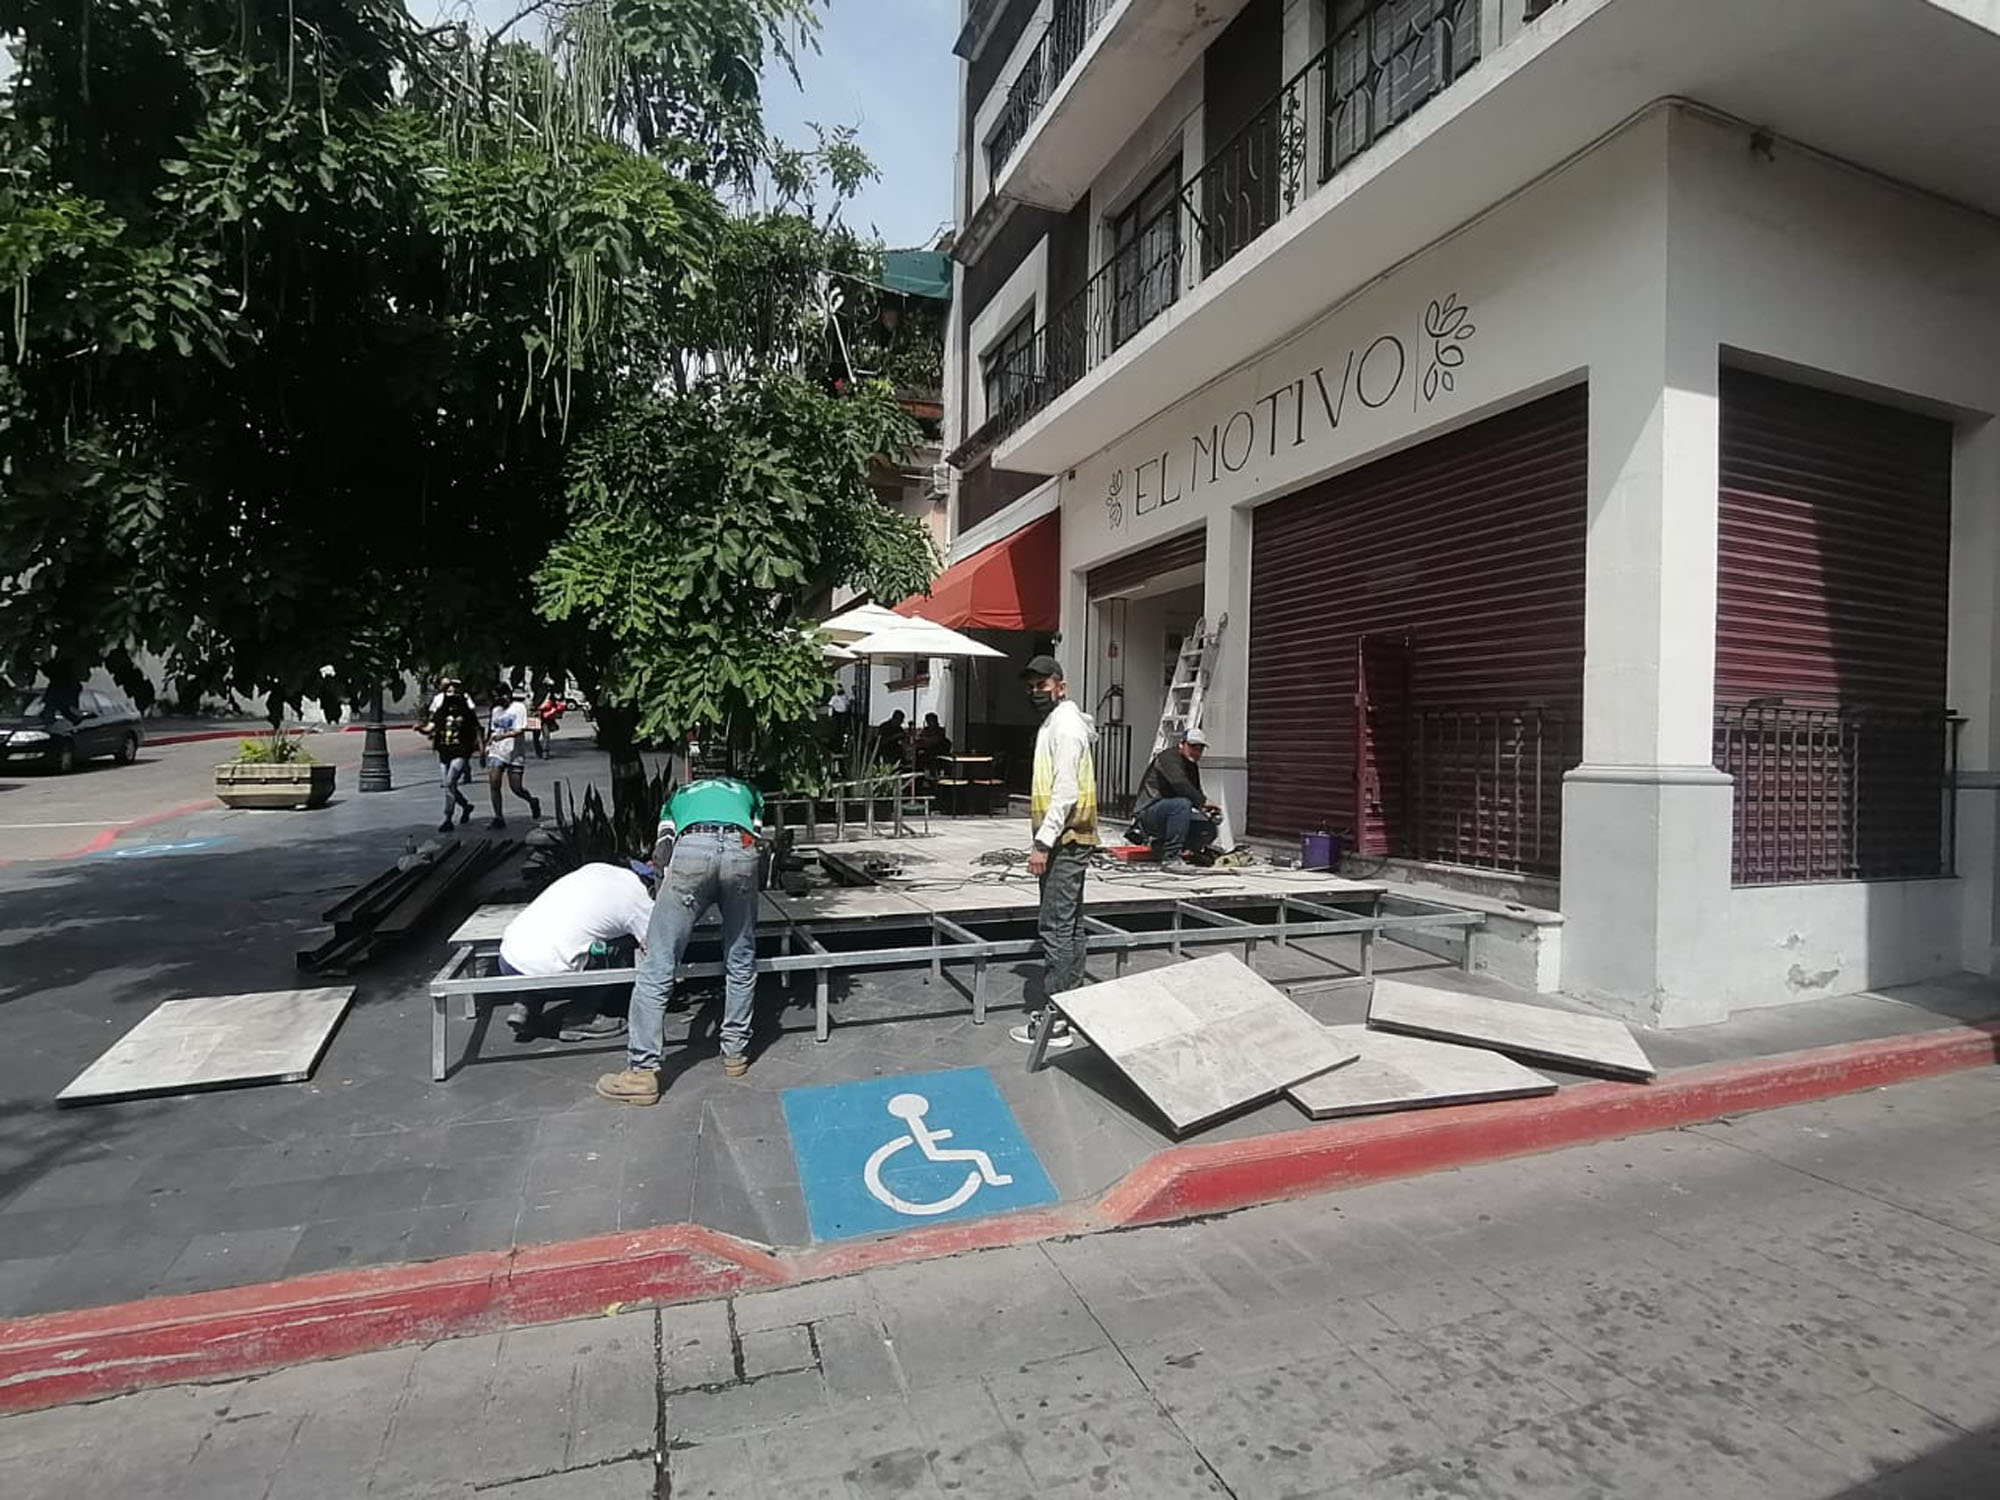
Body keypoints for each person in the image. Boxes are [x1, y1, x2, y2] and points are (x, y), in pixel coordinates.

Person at [596, 744, 764, 1106]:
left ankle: (642, 1073)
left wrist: (674, 897)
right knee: (741, 957)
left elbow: (663, 850)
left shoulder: (679, 795)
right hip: (742, 847)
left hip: (692, 848)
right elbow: (758, 838)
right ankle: (735, 1054)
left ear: (696, 778)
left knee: (659, 962)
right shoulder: (750, 792)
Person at [1009, 654, 1099, 1049]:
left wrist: (1042, 843)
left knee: (1056, 926)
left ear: (1061, 686)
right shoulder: (1059, 723)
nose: (1035, 692)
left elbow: (1065, 792)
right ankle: (1074, 1006)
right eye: (1030, 686)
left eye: (1042, 685)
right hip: (1069, 838)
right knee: (1071, 923)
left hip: (1064, 840)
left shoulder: (1065, 727)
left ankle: (1056, 1020)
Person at [497, 860, 656, 1040]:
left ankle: (526, 1005)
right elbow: (657, 947)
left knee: (565, 942)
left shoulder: (596, 869)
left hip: (509, 960)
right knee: (616, 949)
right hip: (549, 973)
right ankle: (580, 1018)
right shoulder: (640, 901)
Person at [1132, 728, 1222, 872]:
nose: (1196, 752)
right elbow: (1180, 784)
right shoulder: (1168, 758)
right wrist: (1203, 801)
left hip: (1174, 815)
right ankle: (1170, 858)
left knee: (1208, 829)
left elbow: (1195, 792)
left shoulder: (1192, 766)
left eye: (1200, 749)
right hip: (1149, 813)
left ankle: (1169, 848)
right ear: (1181, 744)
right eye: (1192, 747)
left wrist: (1207, 811)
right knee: (1181, 804)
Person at [423, 683, 484, 833]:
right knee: (448, 785)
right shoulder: (441, 711)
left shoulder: (467, 712)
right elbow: (430, 727)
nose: (452, 694)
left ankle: (448, 818)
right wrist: (421, 729)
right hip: (444, 752)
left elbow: (477, 730)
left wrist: (482, 751)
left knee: (450, 783)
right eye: (449, 691)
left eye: (455, 691)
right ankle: (465, 806)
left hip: (461, 751)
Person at [484, 685, 542, 829]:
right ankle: (498, 816)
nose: (498, 700)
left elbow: (520, 730)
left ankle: (532, 800)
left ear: (507, 695)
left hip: (515, 752)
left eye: (499, 696)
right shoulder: (495, 710)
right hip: (497, 751)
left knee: (516, 788)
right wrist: (486, 747)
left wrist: (503, 736)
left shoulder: (519, 708)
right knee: (494, 782)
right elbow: (492, 730)